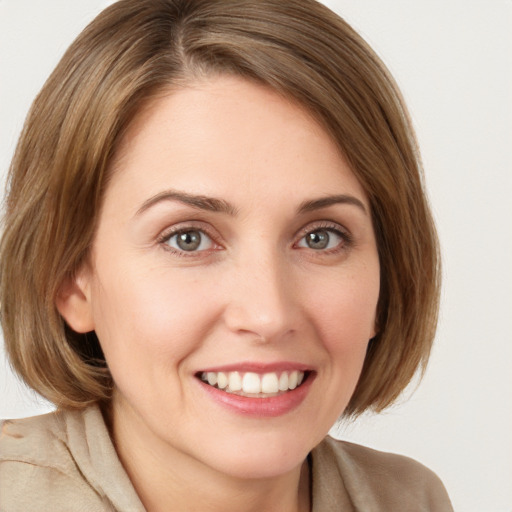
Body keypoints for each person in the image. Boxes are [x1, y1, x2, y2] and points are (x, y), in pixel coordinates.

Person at [0, 0, 453, 510]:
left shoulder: (408, 500)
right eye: (187, 238)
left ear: (386, 276)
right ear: (70, 278)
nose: (267, 314)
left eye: (321, 237)